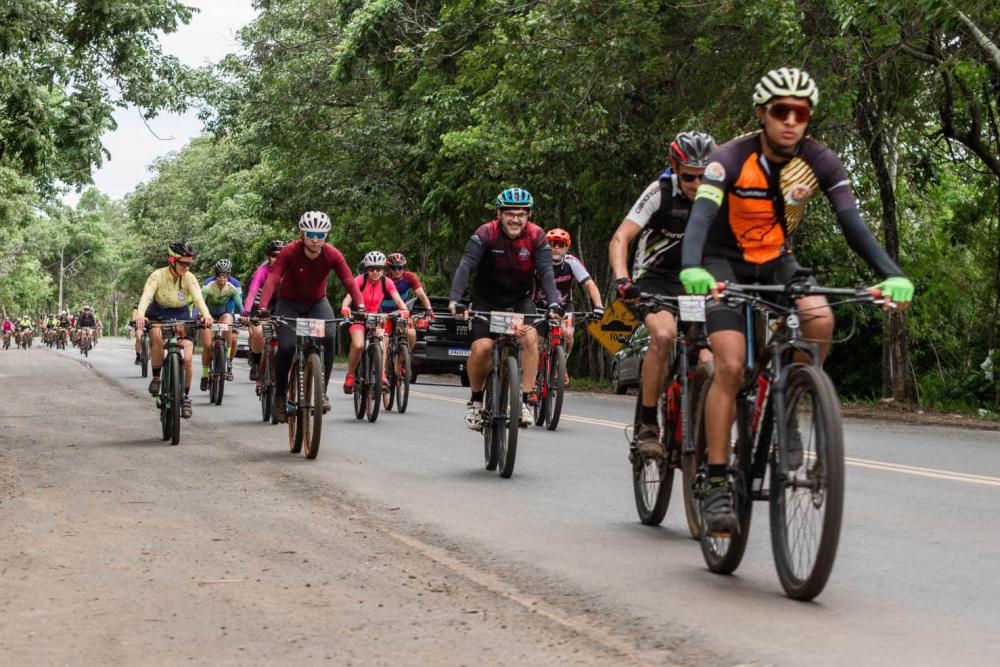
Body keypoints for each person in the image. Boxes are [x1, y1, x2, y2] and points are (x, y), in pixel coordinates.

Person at [679, 67, 915, 534]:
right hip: (723, 261)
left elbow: (852, 224)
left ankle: (794, 395)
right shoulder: (727, 159)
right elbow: (700, 221)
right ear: (761, 115)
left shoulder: (821, 161)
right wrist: (693, 267)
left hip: (776, 259)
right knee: (728, 365)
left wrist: (892, 275)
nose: (791, 121)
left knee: (820, 318)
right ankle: (719, 482)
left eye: (800, 113)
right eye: (780, 112)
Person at [608, 131, 716, 459]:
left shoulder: (721, 195)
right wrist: (623, 279)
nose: (697, 184)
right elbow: (620, 238)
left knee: (712, 360)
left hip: (695, 282)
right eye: (689, 177)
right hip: (653, 279)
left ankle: (707, 428)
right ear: (674, 169)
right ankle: (647, 423)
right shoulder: (660, 191)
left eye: (705, 176)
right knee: (664, 335)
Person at [448, 187, 562, 429]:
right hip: (486, 301)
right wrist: (455, 299)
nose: (515, 219)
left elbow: (546, 272)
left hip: (519, 300)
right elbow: (466, 265)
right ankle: (476, 401)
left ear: (528, 215)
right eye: (510, 213)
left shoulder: (537, 236)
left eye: (521, 214)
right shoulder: (485, 233)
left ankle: (525, 399)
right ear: (499, 214)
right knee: (482, 348)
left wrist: (554, 302)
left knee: (530, 338)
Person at [256, 211, 364, 422]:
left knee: (330, 337)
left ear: (326, 236)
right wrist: (262, 307)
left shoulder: (332, 254)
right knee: (286, 347)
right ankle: (279, 397)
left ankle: (321, 392)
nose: (316, 239)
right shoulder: (289, 251)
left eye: (321, 234)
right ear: (302, 234)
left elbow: (349, 281)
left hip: (316, 303)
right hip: (288, 304)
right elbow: (273, 278)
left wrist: (360, 305)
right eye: (311, 233)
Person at [134, 241, 214, 419]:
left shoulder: (189, 278)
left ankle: (185, 397)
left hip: (181, 315)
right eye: (183, 263)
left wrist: (207, 315)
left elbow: (199, 299)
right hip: (158, 314)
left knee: (187, 355)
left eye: (189, 264)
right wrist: (140, 314)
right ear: (172, 260)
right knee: (157, 337)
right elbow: (146, 295)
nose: (186, 267)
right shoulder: (157, 275)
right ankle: (156, 378)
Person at [534, 228, 605, 381]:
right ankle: (534, 376)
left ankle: (561, 362)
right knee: (537, 343)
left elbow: (590, 284)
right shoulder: (538, 260)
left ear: (566, 247)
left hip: (564, 307)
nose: (556, 247)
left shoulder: (571, 262)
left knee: (567, 334)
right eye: (553, 243)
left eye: (561, 244)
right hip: (539, 306)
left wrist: (599, 306)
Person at [341, 251, 410, 392]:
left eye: (379, 269)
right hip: (359, 318)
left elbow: (397, 299)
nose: (375, 272)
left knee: (383, 341)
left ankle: (381, 374)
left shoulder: (387, 282)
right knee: (359, 345)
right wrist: (345, 307)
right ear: (367, 269)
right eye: (372, 268)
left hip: (376, 318)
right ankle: (350, 375)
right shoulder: (360, 280)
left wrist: (404, 309)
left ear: (383, 270)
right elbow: (348, 298)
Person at [198, 258, 243, 389]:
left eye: (225, 275)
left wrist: (244, 316)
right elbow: (199, 302)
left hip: (226, 313)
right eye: (219, 275)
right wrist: (198, 316)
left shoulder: (234, 285)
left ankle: (227, 360)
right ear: (215, 274)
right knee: (207, 345)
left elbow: (239, 304)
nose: (222, 278)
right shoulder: (208, 284)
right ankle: (205, 375)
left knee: (230, 328)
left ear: (228, 274)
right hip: (209, 316)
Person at [243, 240, 284, 380]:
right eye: (273, 255)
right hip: (260, 306)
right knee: (259, 333)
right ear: (268, 257)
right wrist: (246, 312)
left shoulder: (289, 271)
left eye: (280, 255)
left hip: (279, 306)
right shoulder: (262, 271)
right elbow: (252, 292)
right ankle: (256, 363)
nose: (277, 259)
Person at [381, 252, 433, 353]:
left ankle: (405, 357)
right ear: (389, 268)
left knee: (411, 333)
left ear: (404, 267)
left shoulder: (410, 277)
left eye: (400, 267)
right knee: (384, 342)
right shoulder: (384, 279)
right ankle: (381, 366)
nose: (397, 270)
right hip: (384, 314)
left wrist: (429, 309)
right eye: (394, 268)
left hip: (401, 313)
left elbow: (421, 294)